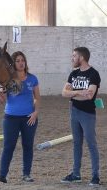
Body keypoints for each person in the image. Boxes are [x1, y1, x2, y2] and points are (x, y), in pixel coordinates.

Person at [0, 51, 40, 183]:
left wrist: (36, 112)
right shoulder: (8, 80)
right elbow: (3, 101)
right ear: (13, 63)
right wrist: (0, 95)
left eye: (22, 60)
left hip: (29, 118)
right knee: (8, 146)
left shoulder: (32, 78)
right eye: (17, 61)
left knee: (28, 146)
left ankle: (26, 174)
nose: (21, 63)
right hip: (10, 118)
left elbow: (37, 98)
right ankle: (2, 176)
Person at [61, 47, 101, 186]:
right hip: (74, 112)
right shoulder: (73, 74)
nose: (72, 58)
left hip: (87, 114)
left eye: (74, 56)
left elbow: (90, 95)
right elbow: (64, 93)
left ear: (81, 58)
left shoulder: (93, 74)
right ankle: (76, 174)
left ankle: (95, 176)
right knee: (77, 143)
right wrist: (79, 93)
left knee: (91, 144)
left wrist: (73, 93)